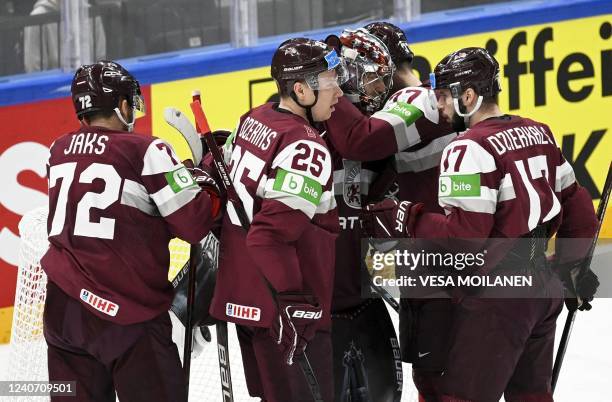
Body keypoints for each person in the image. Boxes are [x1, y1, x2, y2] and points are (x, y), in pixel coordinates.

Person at [361, 47, 599, 402]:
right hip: (541, 285)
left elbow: (465, 238)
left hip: (498, 298)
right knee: (532, 395)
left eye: (442, 97)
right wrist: (574, 267)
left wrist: (408, 217)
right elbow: (577, 204)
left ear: (467, 96)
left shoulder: (467, 149)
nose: (439, 108)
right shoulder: (539, 132)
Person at [41, 60, 220, 402]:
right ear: (122, 105)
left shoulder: (58, 149)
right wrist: (198, 180)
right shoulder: (148, 151)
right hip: (124, 315)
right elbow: (195, 223)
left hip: (62, 312)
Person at [209, 38, 345, 402]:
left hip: (246, 299)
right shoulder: (305, 147)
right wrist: (293, 302)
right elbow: (268, 236)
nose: (339, 93)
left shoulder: (255, 118)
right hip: (285, 312)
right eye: (331, 83)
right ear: (302, 90)